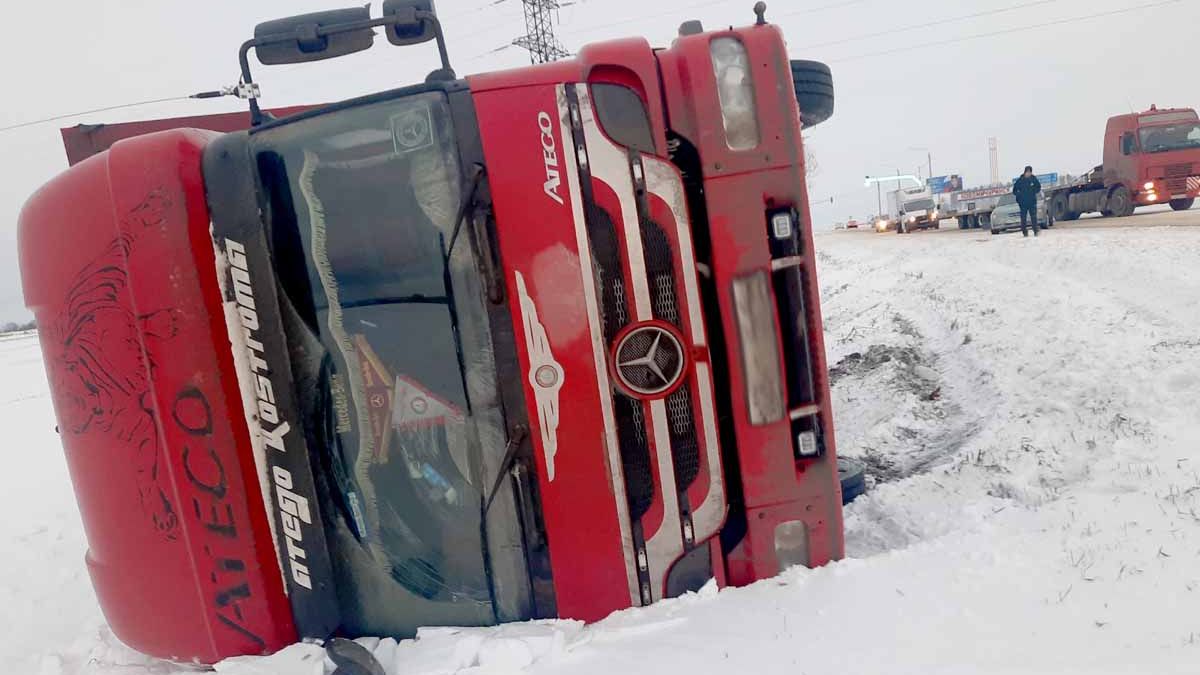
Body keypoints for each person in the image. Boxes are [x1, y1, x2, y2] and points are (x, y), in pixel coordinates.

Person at [1012, 166, 1042, 237]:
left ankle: (1035, 231)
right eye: (1027, 172)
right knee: (1023, 218)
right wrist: (1019, 195)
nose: (1028, 173)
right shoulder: (1020, 180)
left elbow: (1038, 187)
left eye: (1030, 172)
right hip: (1023, 203)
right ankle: (1024, 232)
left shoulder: (1033, 179)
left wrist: (1034, 191)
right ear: (1025, 172)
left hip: (1032, 202)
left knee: (1034, 217)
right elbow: (1014, 190)